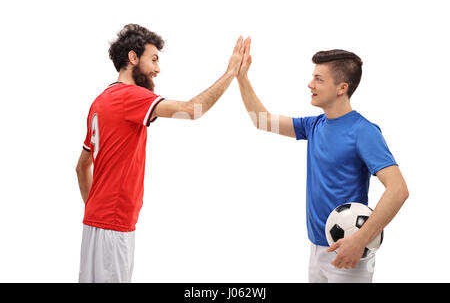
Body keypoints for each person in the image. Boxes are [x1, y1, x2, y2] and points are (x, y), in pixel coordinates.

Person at [75, 23, 246, 282]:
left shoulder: (100, 101)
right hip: (113, 224)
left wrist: (95, 208)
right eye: (153, 59)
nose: (157, 69)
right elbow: (192, 110)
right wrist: (231, 72)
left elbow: (81, 166)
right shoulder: (129, 96)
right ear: (133, 58)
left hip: (96, 222)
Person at [236, 38, 409, 283]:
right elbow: (262, 120)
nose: (310, 84)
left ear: (341, 88)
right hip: (316, 249)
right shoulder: (314, 125)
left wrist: (359, 240)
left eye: (319, 78)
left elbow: (398, 189)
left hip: (349, 253)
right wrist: (242, 77)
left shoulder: (364, 131)